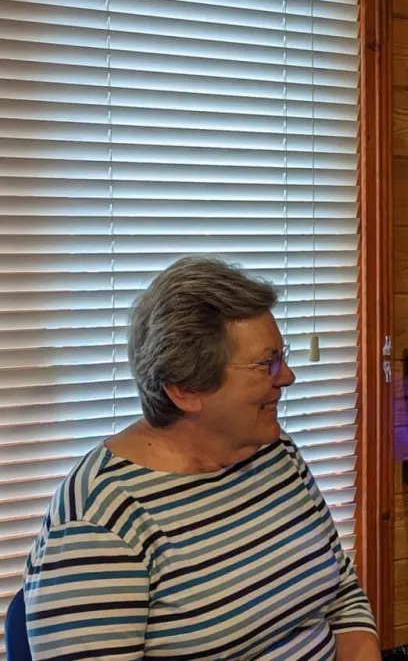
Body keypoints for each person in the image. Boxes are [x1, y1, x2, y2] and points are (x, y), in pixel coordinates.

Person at [21, 256, 382, 660]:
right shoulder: (99, 521)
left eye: (283, 355)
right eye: (268, 363)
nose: (286, 377)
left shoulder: (274, 454)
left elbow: (342, 596)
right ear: (185, 390)